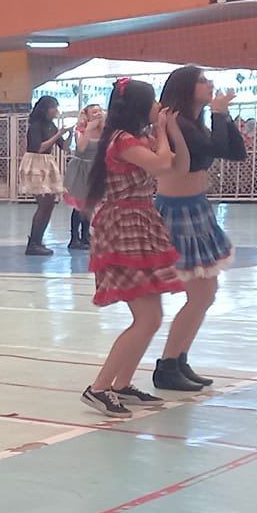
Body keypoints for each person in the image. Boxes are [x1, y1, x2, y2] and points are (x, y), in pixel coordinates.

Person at [80, 78, 189, 416]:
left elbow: (177, 165)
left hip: (140, 223)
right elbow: (162, 165)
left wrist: (166, 131)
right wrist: (163, 130)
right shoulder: (122, 140)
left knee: (151, 317)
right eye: (153, 101)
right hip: (124, 228)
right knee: (145, 318)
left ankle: (121, 384)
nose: (158, 106)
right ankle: (99, 388)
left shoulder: (137, 138)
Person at [151, 65, 247, 392]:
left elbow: (236, 153)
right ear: (186, 87)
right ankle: (167, 365)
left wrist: (223, 116)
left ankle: (178, 360)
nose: (210, 85)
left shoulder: (194, 123)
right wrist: (219, 113)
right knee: (199, 294)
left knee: (206, 294)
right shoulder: (176, 122)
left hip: (197, 209)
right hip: (177, 214)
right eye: (203, 81)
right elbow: (215, 149)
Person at [17, 95, 67, 256]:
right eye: (53, 107)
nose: (56, 111)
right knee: (45, 203)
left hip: (46, 163)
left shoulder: (51, 125)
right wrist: (57, 135)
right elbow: (38, 147)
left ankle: (37, 240)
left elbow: (64, 147)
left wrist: (70, 134)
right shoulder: (36, 126)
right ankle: (34, 242)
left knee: (49, 204)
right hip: (36, 163)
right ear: (45, 109)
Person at [63, 104, 104, 249]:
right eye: (94, 112)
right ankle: (74, 238)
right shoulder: (80, 130)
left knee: (90, 204)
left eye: (99, 111)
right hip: (81, 169)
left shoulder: (104, 130)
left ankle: (85, 235)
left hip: (95, 169)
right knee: (79, 205)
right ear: (87, 115)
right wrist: (89, 129)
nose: (98, 114)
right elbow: (81, 147)